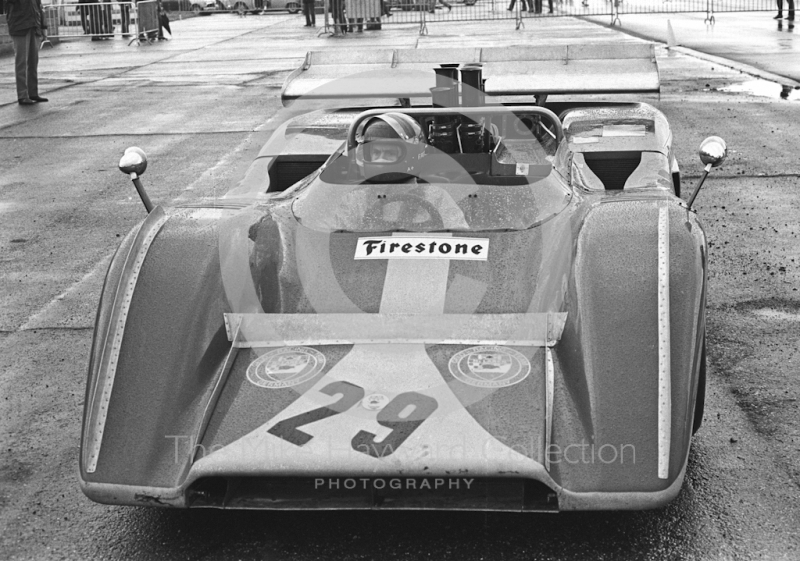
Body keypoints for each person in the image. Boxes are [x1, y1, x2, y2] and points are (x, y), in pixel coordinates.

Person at [5, 0, 49, 105]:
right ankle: (22, 95)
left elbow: (40, 8)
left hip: (34, 27)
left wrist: (43, 28)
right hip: (20, 27)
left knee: (33, 62)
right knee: (21, 62)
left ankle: (33, 92)